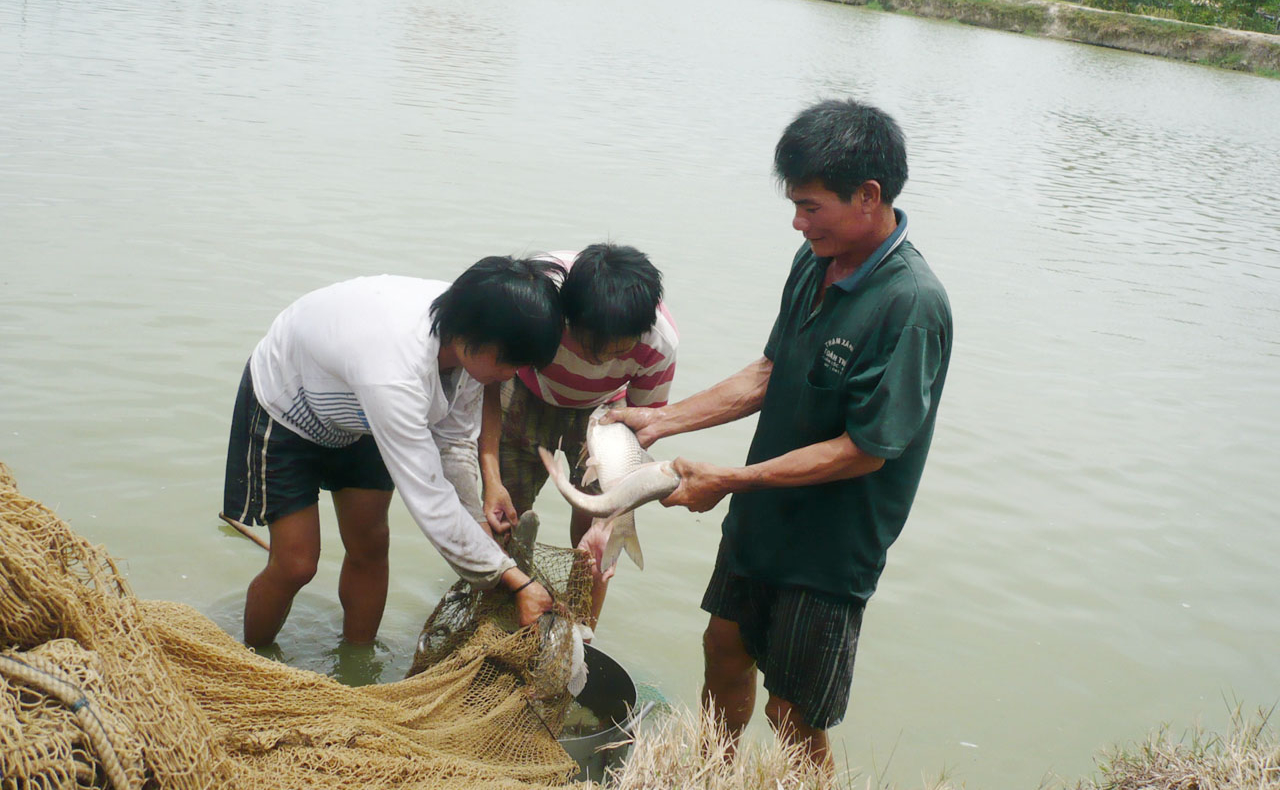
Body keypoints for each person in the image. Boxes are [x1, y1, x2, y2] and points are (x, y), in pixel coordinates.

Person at [608, 99, 952, 770]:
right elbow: (772, 370)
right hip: (763, 509)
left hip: (832, 543)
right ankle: (706, 774)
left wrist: (729, 480)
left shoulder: (911, 304)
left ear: (869, 195)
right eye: (794, 204)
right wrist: (661, 420)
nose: (798, 222)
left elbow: (866, 450)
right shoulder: (815, 260)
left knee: (792, 713)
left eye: (811, 206)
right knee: (723, 650)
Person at [220, 256, 563, 649]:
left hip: (362, 415)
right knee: (297, 564)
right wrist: (514, 578)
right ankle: (253, 659)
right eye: (508, 362)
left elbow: (453, 443)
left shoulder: (473, 340)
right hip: (289, 408)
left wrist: (478, 518)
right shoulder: (394, 369)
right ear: (470, 333)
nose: (509, 376)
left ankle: (358, 663)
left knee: (371, 545)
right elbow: (430, 502)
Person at [477, 243, 677, 622]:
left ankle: (581, 632)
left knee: (597, 534)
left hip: (608, 414)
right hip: (524, 389)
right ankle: (500, 619)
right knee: (505, 514)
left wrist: (608, 520)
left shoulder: (659, 344)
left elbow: (643, 428)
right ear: (568, 318)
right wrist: (490, 476)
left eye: (616, 352)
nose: (601, 360)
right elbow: (487, 376)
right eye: (591, 348)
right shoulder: (537, 298)